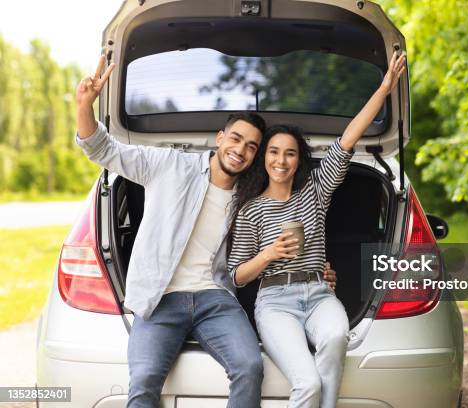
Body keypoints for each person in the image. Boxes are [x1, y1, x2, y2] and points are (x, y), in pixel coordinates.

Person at [74, 56, 337, 407]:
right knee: (144, 380)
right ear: (220, 137)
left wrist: (316, 273)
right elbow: (103, 149)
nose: (241, 150)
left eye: (251, 147)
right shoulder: (169, 165)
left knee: (249, 366)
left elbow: (279, 235)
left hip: (216, 299)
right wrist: (84, 106)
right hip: (160, 298)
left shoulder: (251, 198)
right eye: (236, 139)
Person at [227, 51, 406, 407]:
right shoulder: (251, 210)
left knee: (337, 334)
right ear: (264, 157)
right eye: (274, 152)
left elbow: (347, 141)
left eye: (290, 153)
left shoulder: (315, 192)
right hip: (275, 303)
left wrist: (384, 89)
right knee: (307, 383)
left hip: (320, 293)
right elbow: (236, 276)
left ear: (299, 160)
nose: (281, 160)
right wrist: (269, 254)